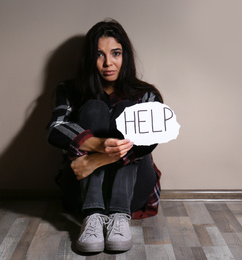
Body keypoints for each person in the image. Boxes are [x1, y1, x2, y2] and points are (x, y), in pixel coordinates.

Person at [46, 19, 163, 253]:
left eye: (116, 53)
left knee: (125, 111)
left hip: (133, 191)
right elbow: (55, 128)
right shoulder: (70, 90)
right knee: (94, 109)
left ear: (125, 56)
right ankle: (93, 215)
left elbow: (151, 138)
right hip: (80, 189)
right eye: (99, 55)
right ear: (89, 59)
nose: (108, 63)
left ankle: (120, 215)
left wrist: (94, 160)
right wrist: (100, 144)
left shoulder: (146, 94)